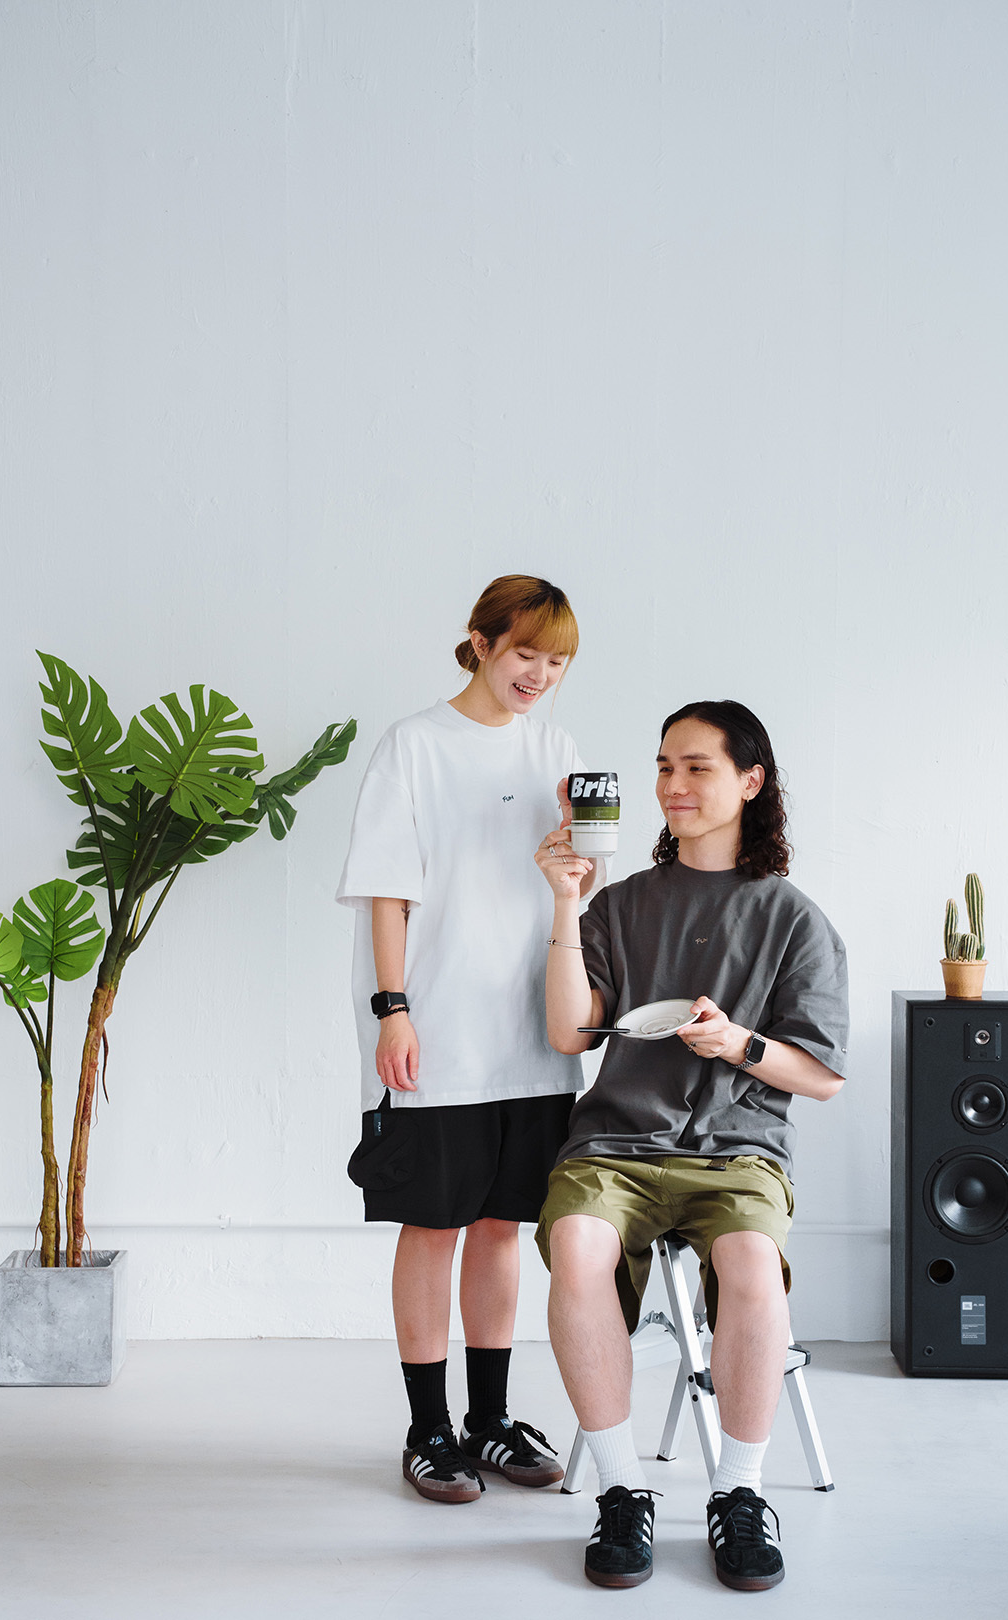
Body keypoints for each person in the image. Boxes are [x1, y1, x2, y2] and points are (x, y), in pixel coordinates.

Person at [534, 699, 848, 1590]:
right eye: (664, 767)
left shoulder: (793, 919)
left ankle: (739, 1493)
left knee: (750, 1264)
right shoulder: (622, 903)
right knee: (576, 1244)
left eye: (697, 767)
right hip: (617, 1145)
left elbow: (822, 1077)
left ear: (750, 782)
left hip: (738, 1150)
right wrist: (567, 903)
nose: (673, 785)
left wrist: (738, 1044)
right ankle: (620, 1489)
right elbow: (569, 1032)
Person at [337, 575, 600, 1505]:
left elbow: (576, 885)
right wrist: (393, 1008)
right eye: (525, 652)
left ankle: (489, 1420)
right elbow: (388, 890)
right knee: (433, 1225)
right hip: (438, 1030)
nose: (540, 674)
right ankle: (428, 1429)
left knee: (501, 1226)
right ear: (481, 642)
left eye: (557, 661)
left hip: (533, 1032)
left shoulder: (556, 750)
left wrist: (576, 855)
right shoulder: (413, 746)